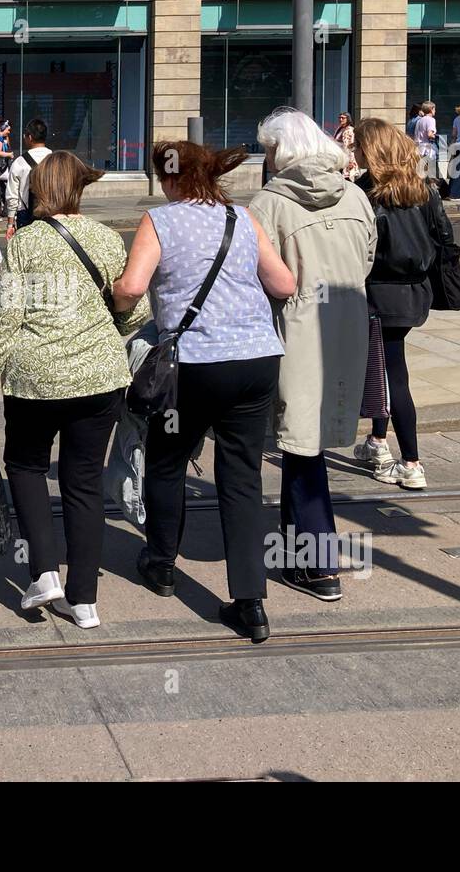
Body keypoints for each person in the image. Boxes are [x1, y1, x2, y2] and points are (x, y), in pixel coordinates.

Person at [112, 141, 295, 643]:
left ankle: (162, 563)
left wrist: (115, 298)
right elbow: (283, 283)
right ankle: (250, 603)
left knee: (167, 461)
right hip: (257, 362)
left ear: (168, 179)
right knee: (242, 478)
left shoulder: (160, 221)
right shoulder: (241, 217)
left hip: (192, 368)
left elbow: (130, 287)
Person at [0, 152, 150, 629]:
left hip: (35, 380)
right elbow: (134, 307)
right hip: (99, 378)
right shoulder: (107, 238)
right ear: (79, 189)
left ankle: (44, 572)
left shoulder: (24, 242)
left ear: (38, 190)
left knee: (25, 465)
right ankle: (84, 601)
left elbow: (5, 315)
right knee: (83, 483)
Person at [248, 109, 376, 603]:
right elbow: (366, 259)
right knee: (309, 441)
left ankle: (321, 564)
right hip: (346, 326)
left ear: (283, 151)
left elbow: (259, 275)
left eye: (269, 150)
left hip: (294, 332)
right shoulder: (357, 196)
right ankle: (298, 554)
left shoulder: (268, 204)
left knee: (300, 446)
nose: (266, 158)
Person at [352, 118, 459, 490]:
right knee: (387, 366)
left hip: (377, 293)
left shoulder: (364, 193)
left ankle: (411, 462)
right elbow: (445, 239)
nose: (354, 151)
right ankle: (378, 442)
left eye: (358, 146)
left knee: (394, 375)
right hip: (414, 293)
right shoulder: (424, 189)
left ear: (372, 150)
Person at [6, 118, 52, 235]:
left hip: (26, 215)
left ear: (30, 137)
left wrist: (10, 224)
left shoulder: (20, 162)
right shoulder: (55, 159)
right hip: (52, 214)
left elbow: (12, 196)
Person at [411, 100, 439, 180]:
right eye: (434, 109)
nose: (435, 111)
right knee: (432, 173)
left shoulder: (419, 120)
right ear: (431, 109)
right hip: (428, 149)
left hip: (419, 148)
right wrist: (436, 137)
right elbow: (429, 134)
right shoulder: (431, 120)